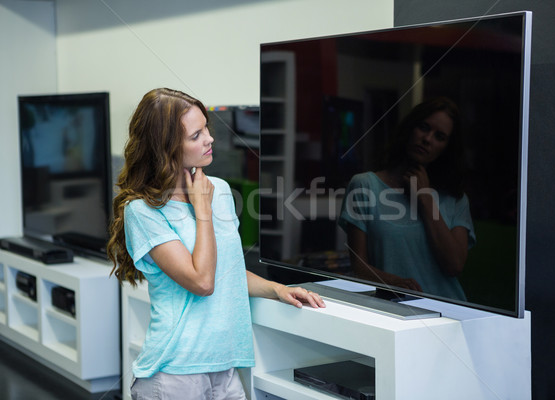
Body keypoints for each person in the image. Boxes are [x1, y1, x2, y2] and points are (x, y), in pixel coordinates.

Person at [107, 88, 325, 400]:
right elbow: (202, 281)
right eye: (196, 135)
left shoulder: (218, 190)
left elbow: (226, 271)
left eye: (206, 128)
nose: (210, 139)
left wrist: (277, 289)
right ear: (166, 147)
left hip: (225, 366)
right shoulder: (143, 211)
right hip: (174, 373)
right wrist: (202, 211)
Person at [338, 97, 476, 301]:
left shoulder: (455, 198)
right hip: (394, 313)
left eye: (439, 136)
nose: (427, 139)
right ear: (410, 128)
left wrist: (425, 197)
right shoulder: (365, 185)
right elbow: (359, 266)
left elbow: (454, 266)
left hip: (450, 315)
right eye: (424, 127)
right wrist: (394, 282)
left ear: (446, 148)